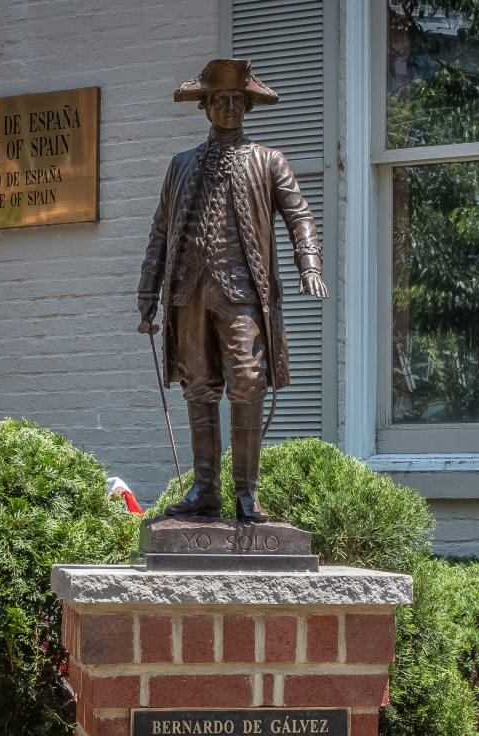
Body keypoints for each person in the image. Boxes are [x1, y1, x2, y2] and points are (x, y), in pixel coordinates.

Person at [137, 59, 328, 522]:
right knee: (198, 387)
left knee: (247, 381)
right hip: (188, 293)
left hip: (242, 293)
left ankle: (247, 494)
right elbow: (160, 234)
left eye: (237, 102)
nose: (229, 109)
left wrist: (309, 264)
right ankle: (205, 491)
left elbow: (299, 214)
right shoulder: (180, 166)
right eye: (220, 101)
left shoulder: (268, 161)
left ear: (247, 107)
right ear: (205, 107)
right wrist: (147, 296)